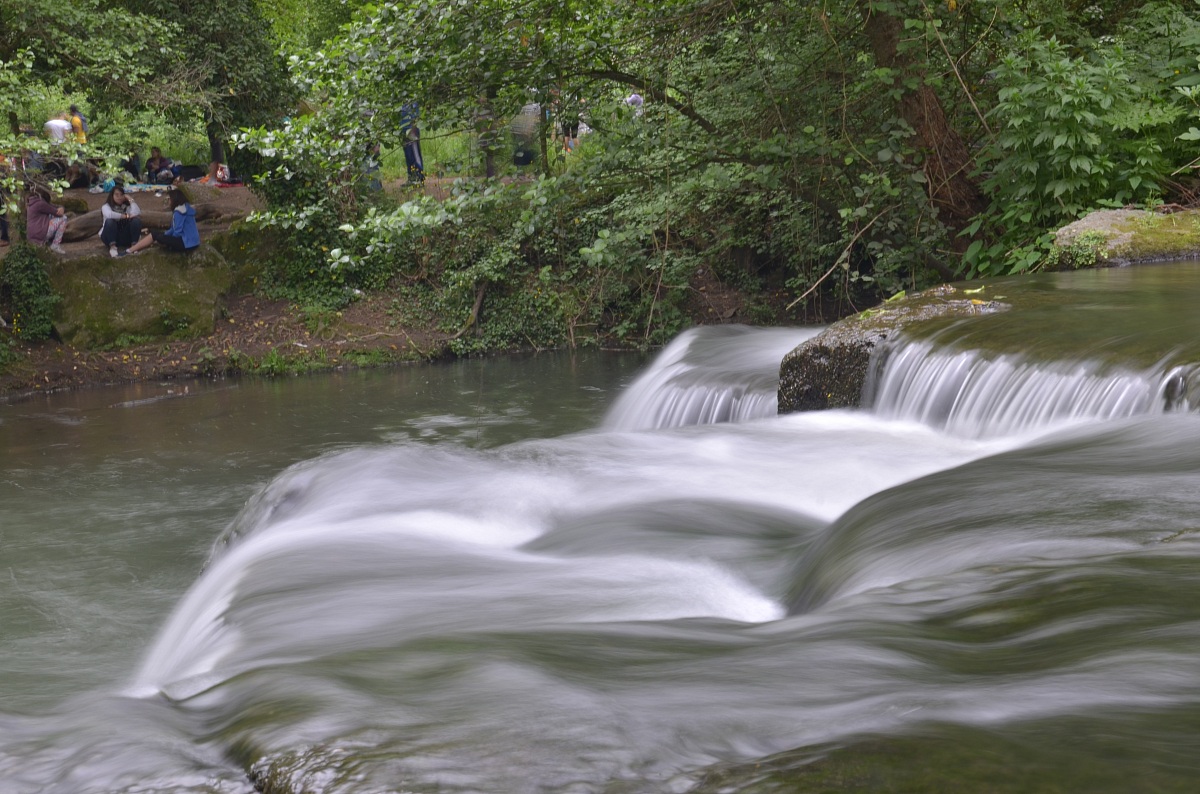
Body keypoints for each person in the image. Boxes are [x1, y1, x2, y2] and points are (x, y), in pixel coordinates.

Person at [123, 189, 198, 255]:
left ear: (174, 199)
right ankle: (131, 250)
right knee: (156, 234)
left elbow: (177, 232)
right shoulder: (186, 209)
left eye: (169, 199)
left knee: (157, 236)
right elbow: (173, 229)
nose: (168, 201)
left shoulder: (179, 212)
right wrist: (165, 234)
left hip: (186, 243)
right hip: (193, 242)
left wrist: (167, 240)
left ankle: (130, 250)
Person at [99, 186, 142, 257]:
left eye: (121, 195)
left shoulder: (126, 207)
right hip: (109, 235)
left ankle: (134, 245)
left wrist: (130, 199)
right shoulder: (106, 206)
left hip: (124, 235)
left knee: (136, 221)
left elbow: (137, 212)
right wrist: (125, 216)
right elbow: (109, 215)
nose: (119, 197)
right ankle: (113, 247)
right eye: (116, 195)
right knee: (110, 222)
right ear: (112, 196)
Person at [26, 185, 67, 254]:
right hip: (39, 233)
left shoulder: (32, 203)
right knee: (63, 218)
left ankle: (48, 242)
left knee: (50, 215)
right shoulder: (40, 203)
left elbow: (52, 207)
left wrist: (61, 207)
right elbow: (58, 213)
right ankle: (55, 245)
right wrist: (61, 209)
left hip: (32, 234)